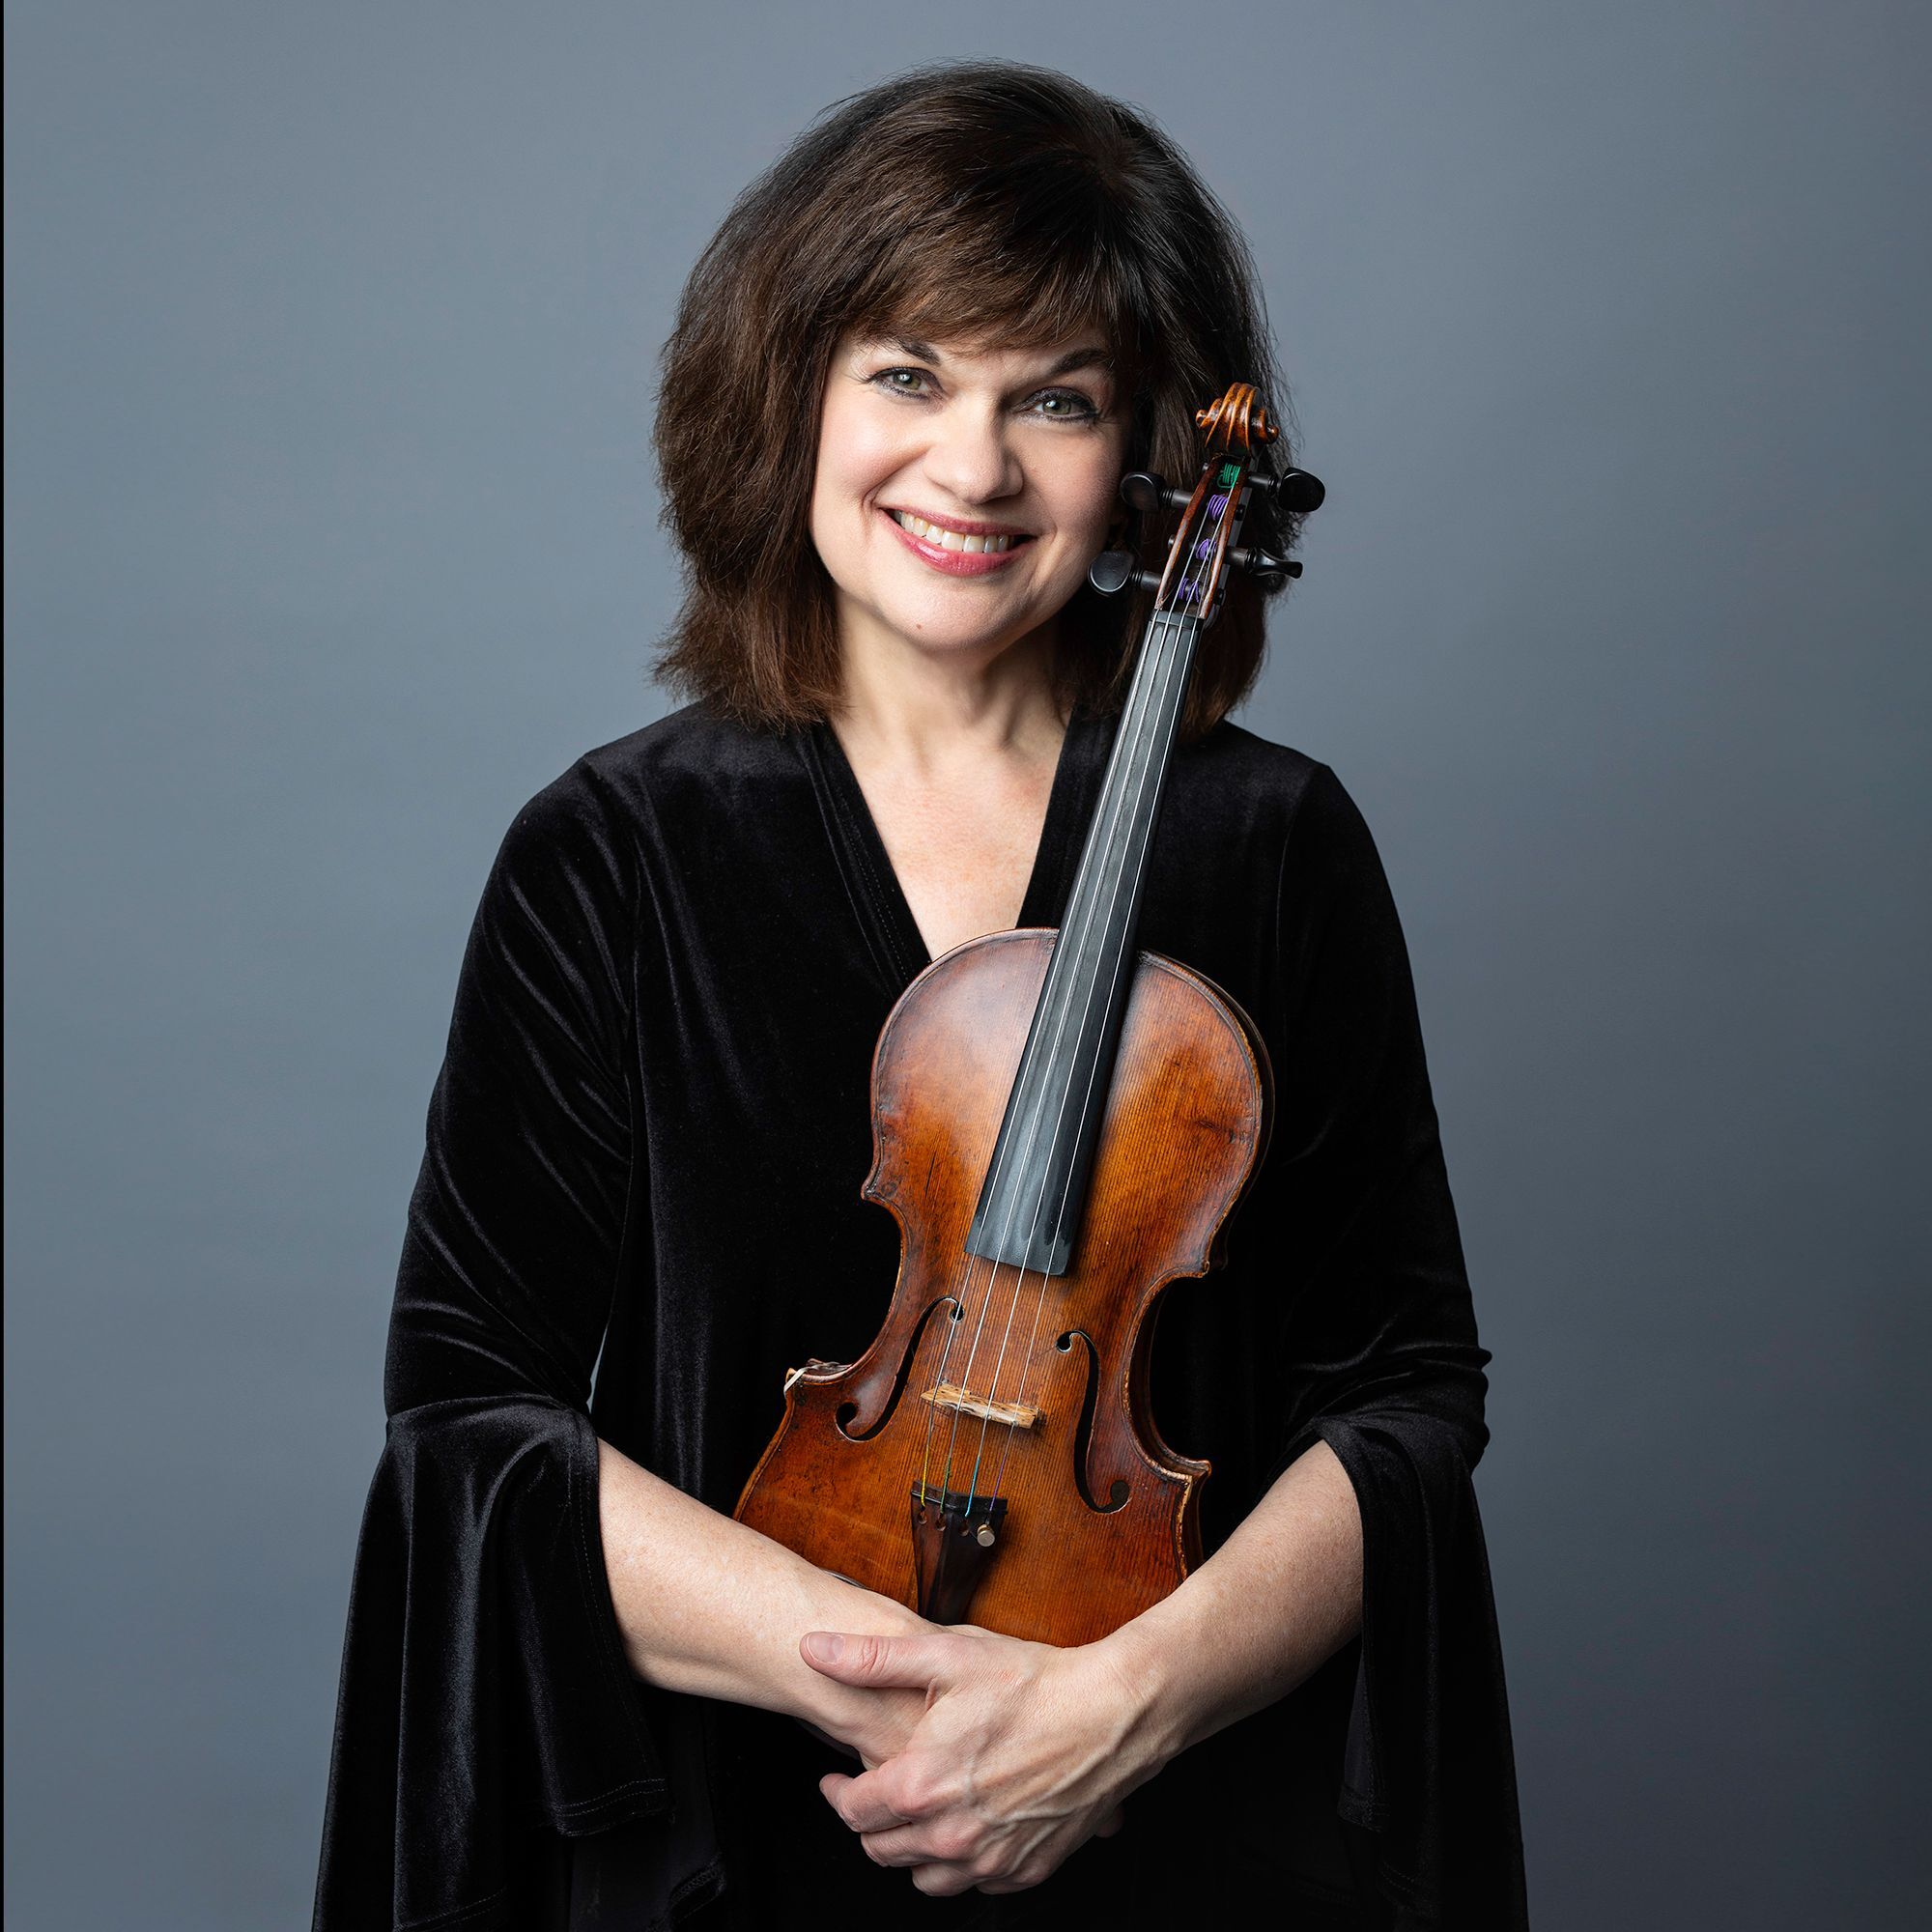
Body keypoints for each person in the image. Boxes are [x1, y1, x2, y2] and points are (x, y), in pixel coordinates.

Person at [312, 61, 1526, 1932]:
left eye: (1051, 398)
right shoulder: (619, 845)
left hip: (1166, 1812)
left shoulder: (1276, 841)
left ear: (1141, 460)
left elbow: (1403, 1396)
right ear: (785, 391)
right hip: (729, 1816)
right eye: (906, 374)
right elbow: (473, 1408)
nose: (970, 468)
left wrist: (1112, 1704)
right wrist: (914, 1696)